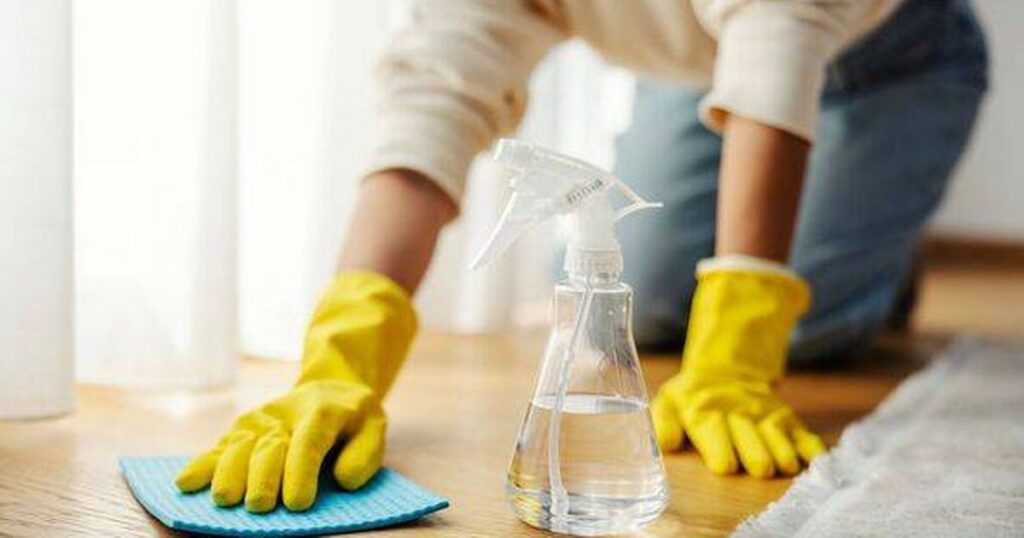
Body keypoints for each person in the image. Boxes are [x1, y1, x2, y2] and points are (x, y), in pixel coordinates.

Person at [174, 0, 988, 513]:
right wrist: (341, 357)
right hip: (698, 58)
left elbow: (778, 42)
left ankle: (872, 267)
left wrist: (739, 352)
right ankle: (837, 241)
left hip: (893, 53)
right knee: (660, 301)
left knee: (812, 326)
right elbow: (434, 103)